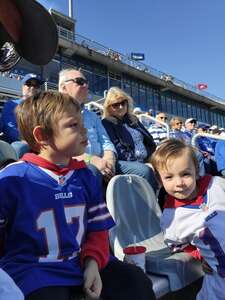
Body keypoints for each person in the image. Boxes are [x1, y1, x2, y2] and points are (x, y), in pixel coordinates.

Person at [0, 90, 116, 299]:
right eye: (74, 125)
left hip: (81, 263)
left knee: (135, 282)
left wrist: (92, 263)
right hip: (34, 271)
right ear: (42, 135)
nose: (85, 131)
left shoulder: (86, 175)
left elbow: (98, 229)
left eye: (83, 123)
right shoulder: (14, 178)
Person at [150, 139, 225, 300]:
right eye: (169, 177)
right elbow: (177, 245)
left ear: (196, 170)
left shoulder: (217, 185)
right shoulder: (171, 219)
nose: (179, 183)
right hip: (219, 279)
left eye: (185, 174)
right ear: (159, 179)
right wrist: (200, 255)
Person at [58, 68, 116, 184]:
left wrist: (109, 160)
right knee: (92, 171)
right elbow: (60, 149)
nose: (85, 85)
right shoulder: (54, 112)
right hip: (73, 163)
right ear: (63, 87)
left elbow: (106, 142)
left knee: (143, 171)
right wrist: (92, 159)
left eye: (86, 83)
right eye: (80, 81)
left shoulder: (93, 116)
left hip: (101, 161)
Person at [102, 87, 158, 191]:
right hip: (126, 161)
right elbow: (117, 148)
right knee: (145, 171)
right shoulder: (107, 123)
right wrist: (139, 162)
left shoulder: (133, 119)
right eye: (115, 105)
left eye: (123, 103)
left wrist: (152, 158)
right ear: (108, 107)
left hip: (145, 158)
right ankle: (153, 204)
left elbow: (149, 140)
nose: (120, 106)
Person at [1, 73, 44, 144]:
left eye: (36, 85)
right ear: (23, 86)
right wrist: (26, 141)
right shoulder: (11, 104)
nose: (32, 87)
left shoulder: (43, 107)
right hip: (18, 143)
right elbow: (9, 128)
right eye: (29, 84)